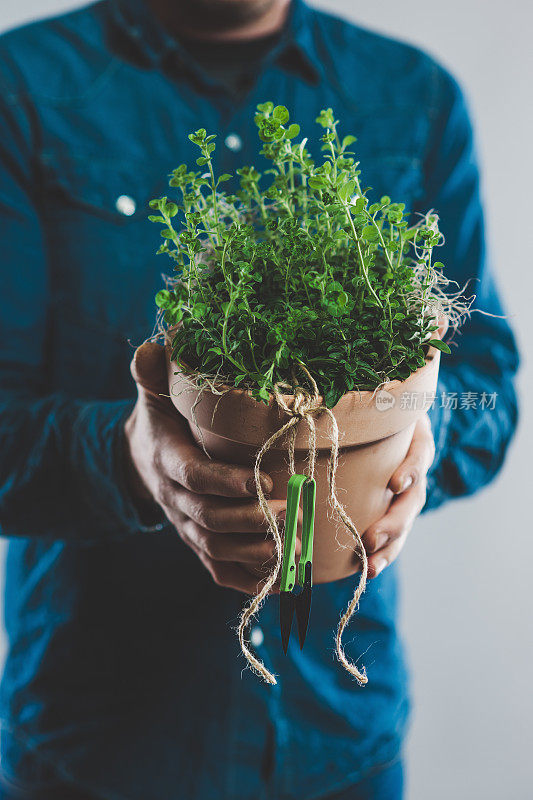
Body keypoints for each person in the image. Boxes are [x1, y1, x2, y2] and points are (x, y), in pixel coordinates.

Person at [0, 0, 519, 798]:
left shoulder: (412, 95)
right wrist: (132, 456)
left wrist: (419, 434)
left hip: (337, 741)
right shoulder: (23, 87)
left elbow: (485, 384)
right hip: (91, 742)